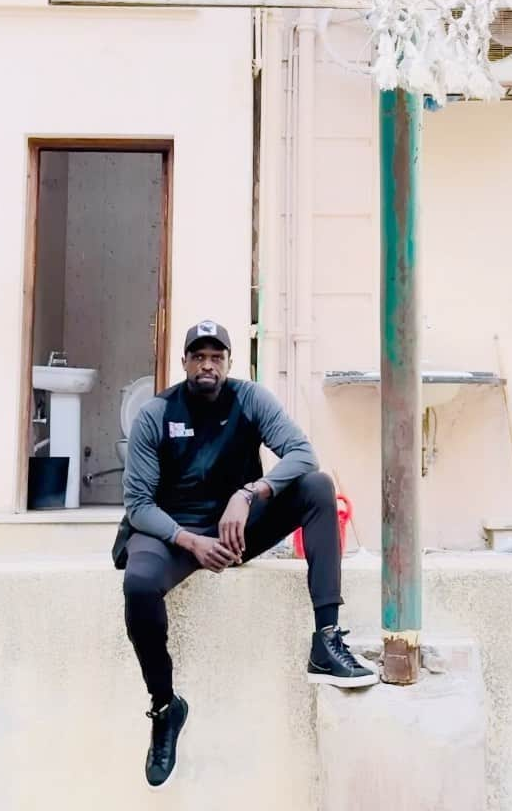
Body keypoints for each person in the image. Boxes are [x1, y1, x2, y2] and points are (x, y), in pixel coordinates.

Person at [112, 318, 378, 789]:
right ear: (185, 363)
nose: (207, 366)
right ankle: (164, 706)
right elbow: (138, 506)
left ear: (229, 364)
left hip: (236, 529)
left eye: (216, 357)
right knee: (137, 585)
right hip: (174, 534)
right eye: (199, 357)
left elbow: (302, 453)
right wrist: (190, 541)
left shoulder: (249, 399)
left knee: (317, 488)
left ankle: (326, 639)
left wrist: (251, 493)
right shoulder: (156, 413)